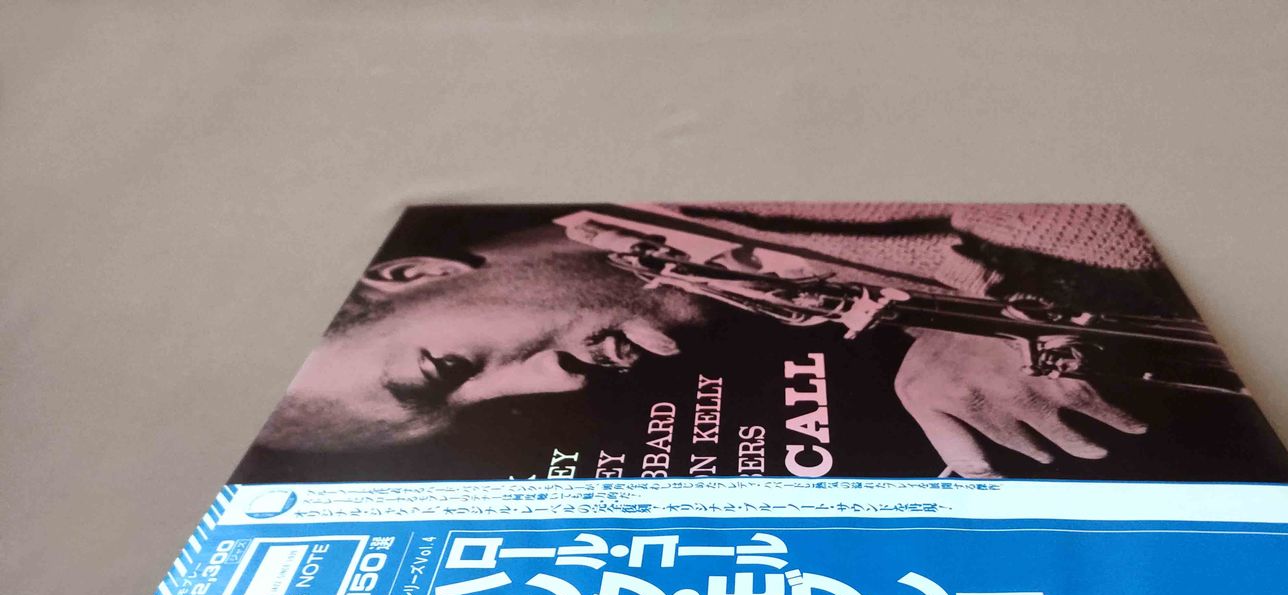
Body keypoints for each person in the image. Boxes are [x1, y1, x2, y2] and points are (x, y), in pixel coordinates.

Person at [252, 203, 1204, 477]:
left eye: (447, 368)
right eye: (471, 409)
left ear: (414, 275)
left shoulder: (702, 189)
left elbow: (1107, 209)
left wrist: (1021, 319)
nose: (550, 385)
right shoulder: (727, 284)